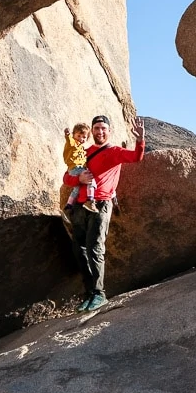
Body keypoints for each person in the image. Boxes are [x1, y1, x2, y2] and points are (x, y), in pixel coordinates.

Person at [63, 114, 145, 312]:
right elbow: (67, 176)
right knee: (79, 249)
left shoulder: (115, 151)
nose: (100, 132)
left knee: (95, 248)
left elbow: (136, 157)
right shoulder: (84, 152)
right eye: (97, 128)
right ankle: (89, 293)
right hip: (80, 207)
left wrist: (140, 140)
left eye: (103, 128)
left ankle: (99, 294)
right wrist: (79, 179)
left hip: (100, 204)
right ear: (92, 131)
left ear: (109, 131)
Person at [63, 123, 98, 213]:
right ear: (74, 134)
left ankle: (68, 205)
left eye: (84, 137)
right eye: (78, 135)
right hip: (75, 168)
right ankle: (90, 200)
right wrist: (67, 135)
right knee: (90, 179)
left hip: (75, 169)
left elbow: (83, 160)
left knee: (77, 188)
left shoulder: (81, 148)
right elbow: (69, 140)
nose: (81, 139)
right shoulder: (72, 143)